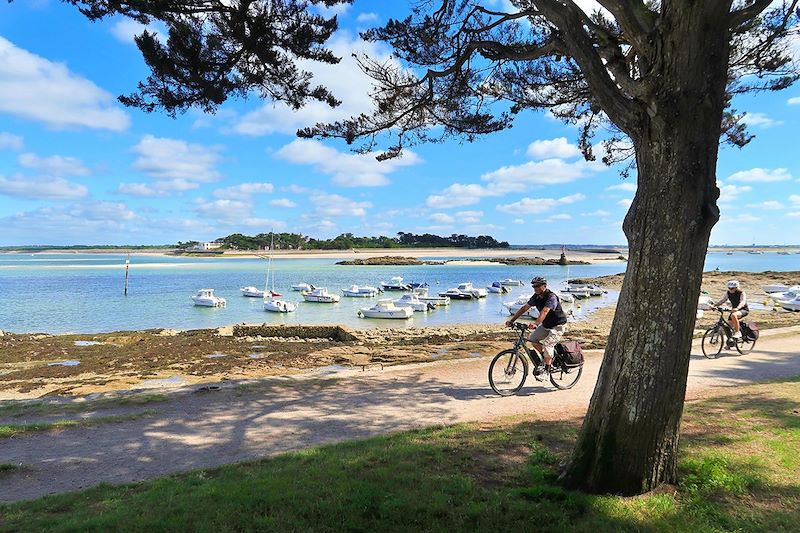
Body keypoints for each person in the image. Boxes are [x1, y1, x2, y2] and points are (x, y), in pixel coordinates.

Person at [505, 276, 568, 373]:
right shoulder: (536, 297)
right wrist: (512, 321)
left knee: (547, 344)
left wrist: (536, 324)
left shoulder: (551, 297)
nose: (535, 288)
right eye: (534, 286)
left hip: (558, 325)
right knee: (533, 339)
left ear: (544, 286)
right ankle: (545, 359)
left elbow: (545, 311)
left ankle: (547, 370)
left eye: (537, 286)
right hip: (546, 325)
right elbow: (524, 308)